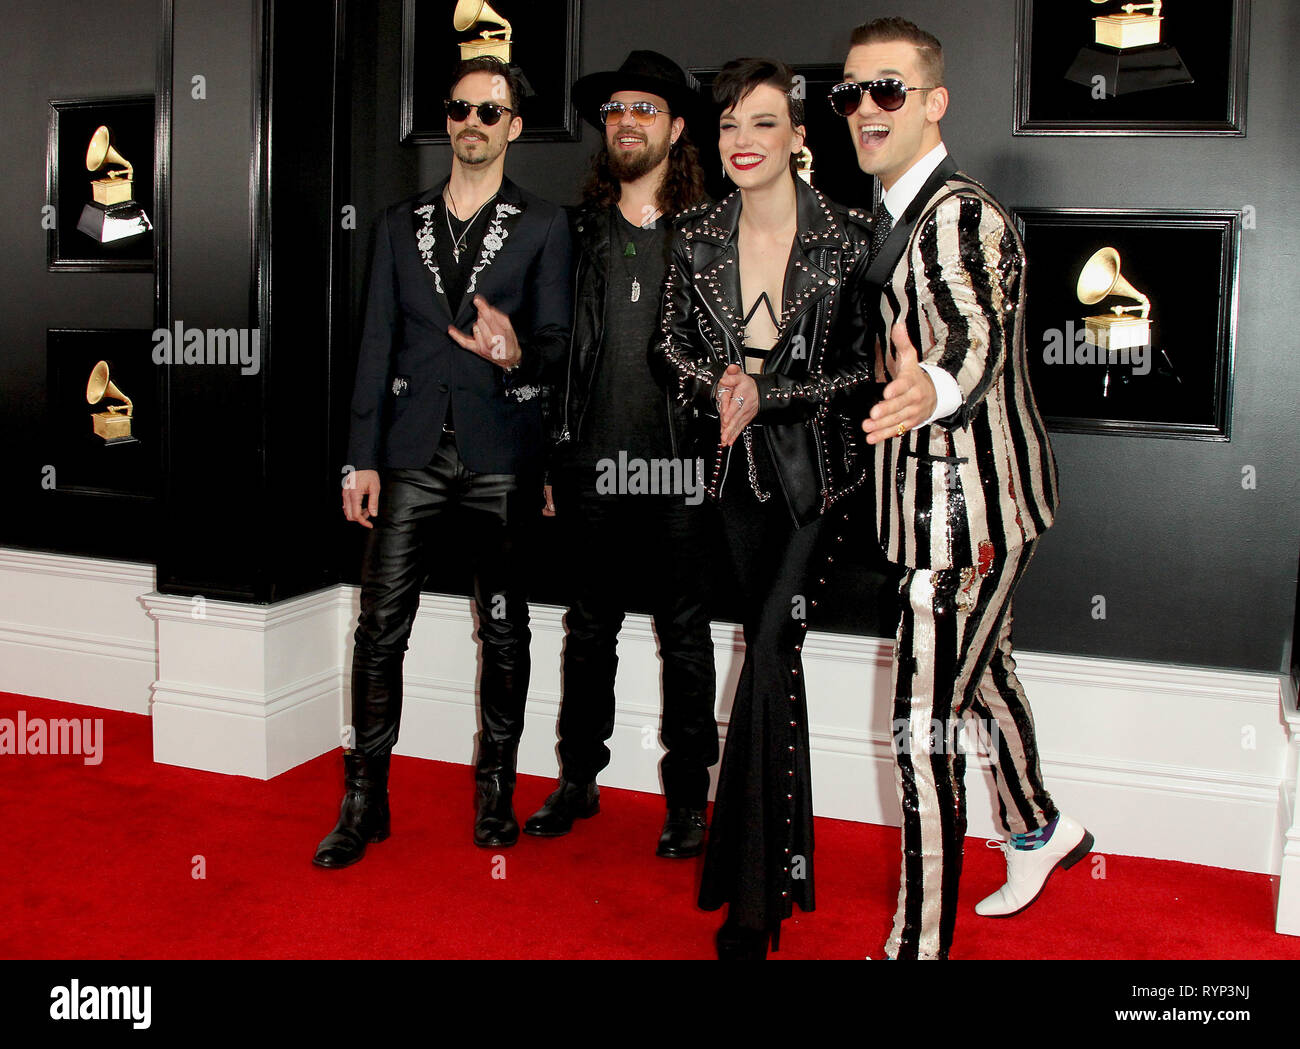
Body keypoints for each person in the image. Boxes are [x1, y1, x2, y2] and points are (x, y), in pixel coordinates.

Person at [834, 17, 1092, 959]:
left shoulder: (957, 213)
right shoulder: (895, 208)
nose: (866, 108)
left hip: (964, 517)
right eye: (852, 92)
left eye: (888, 90)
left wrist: (932, 384)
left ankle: (919, 944)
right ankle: (1038, 827)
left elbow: (972, 331)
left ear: (934, 102)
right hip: (956, 506)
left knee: (920, 729)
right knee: (981, 677)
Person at [314, 56, 572, 868]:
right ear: (447, 120)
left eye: (489, 113)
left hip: (502, 455)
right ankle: (366, 800)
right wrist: (361, 456)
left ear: (514, 126)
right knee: (379, 627)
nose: (471, 124)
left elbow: (561, 348)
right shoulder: (399, 223)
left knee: (504, 631)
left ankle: (496, 789)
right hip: (410, 455)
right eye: (460, 110)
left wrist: (515, 350)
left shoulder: (543, 225)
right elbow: (374, 343)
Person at [653, 57, 879, 959]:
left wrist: (774, 393)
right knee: (766, 656)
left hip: (816, 479)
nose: (743, 142)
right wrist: (718, 380)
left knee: (773, 646)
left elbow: (869, 367)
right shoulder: (694, 234)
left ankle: (752, 903)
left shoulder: (852, 237)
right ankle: (774, 867)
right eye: (730, 127)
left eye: (762, 124)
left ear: (798, 137)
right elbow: (667, 346)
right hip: (732, 482)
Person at [524, 51, 722, 858]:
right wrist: (547, 455)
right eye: (615, 111)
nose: (627, 121)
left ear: (676, 127)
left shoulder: (714, 234)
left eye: (644, 108)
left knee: (685, 635)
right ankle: (579, 780)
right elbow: (552, 352)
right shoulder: (573, 236)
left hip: (679, 466)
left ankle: (687, 801)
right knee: (589, 630)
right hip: (590, 465)